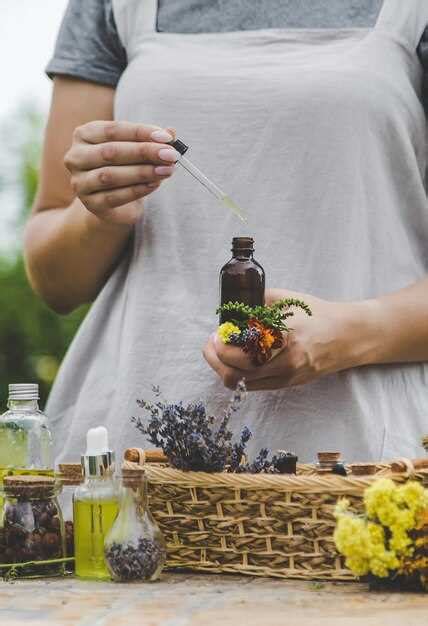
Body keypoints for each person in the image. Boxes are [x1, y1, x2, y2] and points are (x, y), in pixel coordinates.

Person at [25, 0, 428, 465]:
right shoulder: (112, 8)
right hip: (138, 454)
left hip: (361, 461)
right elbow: (55, 282)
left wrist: (347, 333)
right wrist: (102, 205)